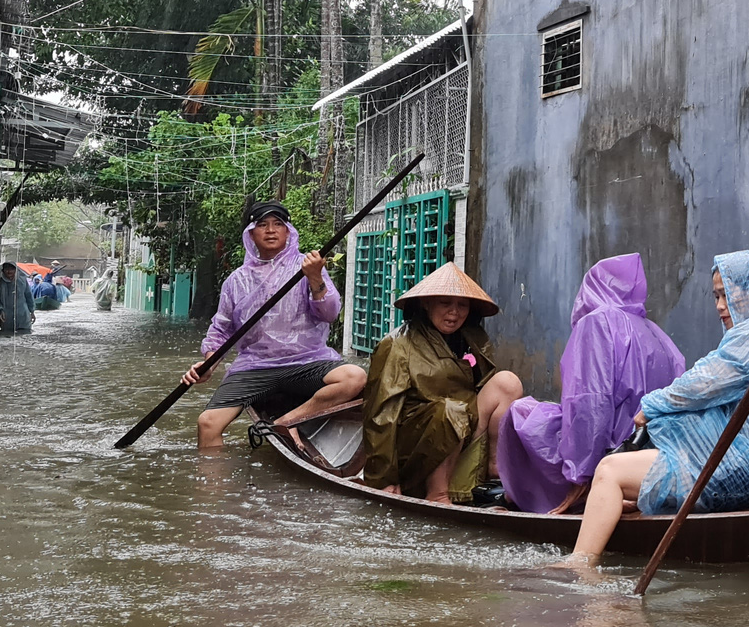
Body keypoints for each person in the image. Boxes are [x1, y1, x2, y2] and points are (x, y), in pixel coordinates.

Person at [560, 251, 749, 567]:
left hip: (741, 472)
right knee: (633, 471)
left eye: (727, 294)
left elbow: (701, 384)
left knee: (609, 471)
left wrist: (649, 407)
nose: (720, 306)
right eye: (716, 296)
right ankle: (631, 496)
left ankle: (579, 566)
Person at [495, 254, 687, 514]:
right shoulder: (658, 334)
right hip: (648, 451)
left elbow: (590, 404)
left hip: (607, 452)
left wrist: (580, 475)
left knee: (519, 413)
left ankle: (528, 497)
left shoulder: (596, 323)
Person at [183, 202, 366, 448]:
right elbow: (222, 331)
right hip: (255, 367)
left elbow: (330, 313)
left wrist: (314, 277)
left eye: (278, 224)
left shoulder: (307, 266)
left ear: (288, 231)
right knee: (207, 423)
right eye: (262, 224)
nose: (271, 230)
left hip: (306, 361)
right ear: (250, 233)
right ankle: (214, 487)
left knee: (355, 377)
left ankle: (285, 422)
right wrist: (208, 365)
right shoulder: (236, 281)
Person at [359, 263, 525, 502]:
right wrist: (384, 479)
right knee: (452, 410)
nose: (454, 313)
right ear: (427, 304)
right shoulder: (397, 344)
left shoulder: (472, 338)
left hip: (462, 427)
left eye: (462, 305)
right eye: (445, 303)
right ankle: (438, 494)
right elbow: (381, 414)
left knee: (508, 382)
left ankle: (495, 471)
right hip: (416, 442)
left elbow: (484, 386)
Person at [0, 261, 34, 334]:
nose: (9, 271)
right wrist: (0, 310)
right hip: (6, 317)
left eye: (11, 269)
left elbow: (28, 296)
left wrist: (32, 311)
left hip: (23, 315)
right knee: (6, 336)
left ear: (15, 270)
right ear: (3, 271)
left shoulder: (22, 280)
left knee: (24, 336)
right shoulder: (0, 282)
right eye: (6, 269)